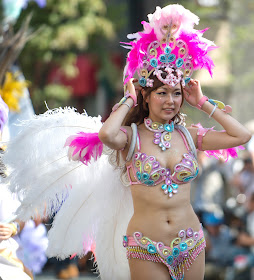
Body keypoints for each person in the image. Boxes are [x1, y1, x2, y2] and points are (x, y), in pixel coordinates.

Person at [1, 4, 251, 280]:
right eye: (162, 93)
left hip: (191, 242)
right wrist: (128, 99)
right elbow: (106, 135)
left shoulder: (190, 135)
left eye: (176, 93)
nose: (171, 101)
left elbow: (241, 136)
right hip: (146, 246)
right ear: (147, 96)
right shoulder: (131, 137)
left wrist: (203, 102)